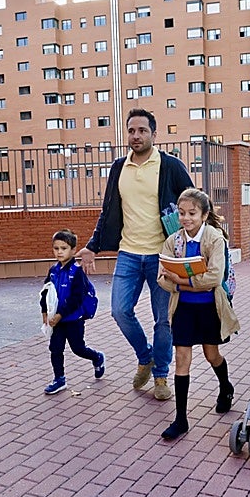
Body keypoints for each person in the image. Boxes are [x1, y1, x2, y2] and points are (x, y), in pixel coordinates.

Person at [77, 108, 193, 400]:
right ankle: (146, 356)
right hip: (128, 253)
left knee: (163, 320)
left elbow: (194, 204)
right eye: (131, 131)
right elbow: (108, 211)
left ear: (154, 134)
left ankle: (161, 375)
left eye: (142, 130)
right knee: (119, 311)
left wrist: (198, 240)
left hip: (162, 256)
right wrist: (92, 246)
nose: (136, 136)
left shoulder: (170, 166)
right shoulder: (119, 167)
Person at [157, 188, 240, 440]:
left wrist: (181, 281)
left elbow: (215, 277)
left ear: (204, 215)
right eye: (181, 213)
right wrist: (182, 285)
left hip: (209, 307)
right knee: (181, 357)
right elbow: (162, 278)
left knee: (211, 354)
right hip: (183, 307)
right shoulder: (174, 241)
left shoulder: (215, 238)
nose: (186, 218)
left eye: (192, 213)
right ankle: (181, 419)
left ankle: (225, 386)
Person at [40, 229, 105, 395]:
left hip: (73, 319)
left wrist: (60, 314)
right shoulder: (53, 270)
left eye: (64, 248)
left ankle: (97, 357)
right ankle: (59, 379)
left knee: (78, 348)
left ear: (73, 250)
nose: (59, 252)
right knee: (55, 348)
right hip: (57, 320)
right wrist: (44, 311)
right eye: (56, 248)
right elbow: (46, 292)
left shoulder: (77, 272)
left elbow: (76, 298)